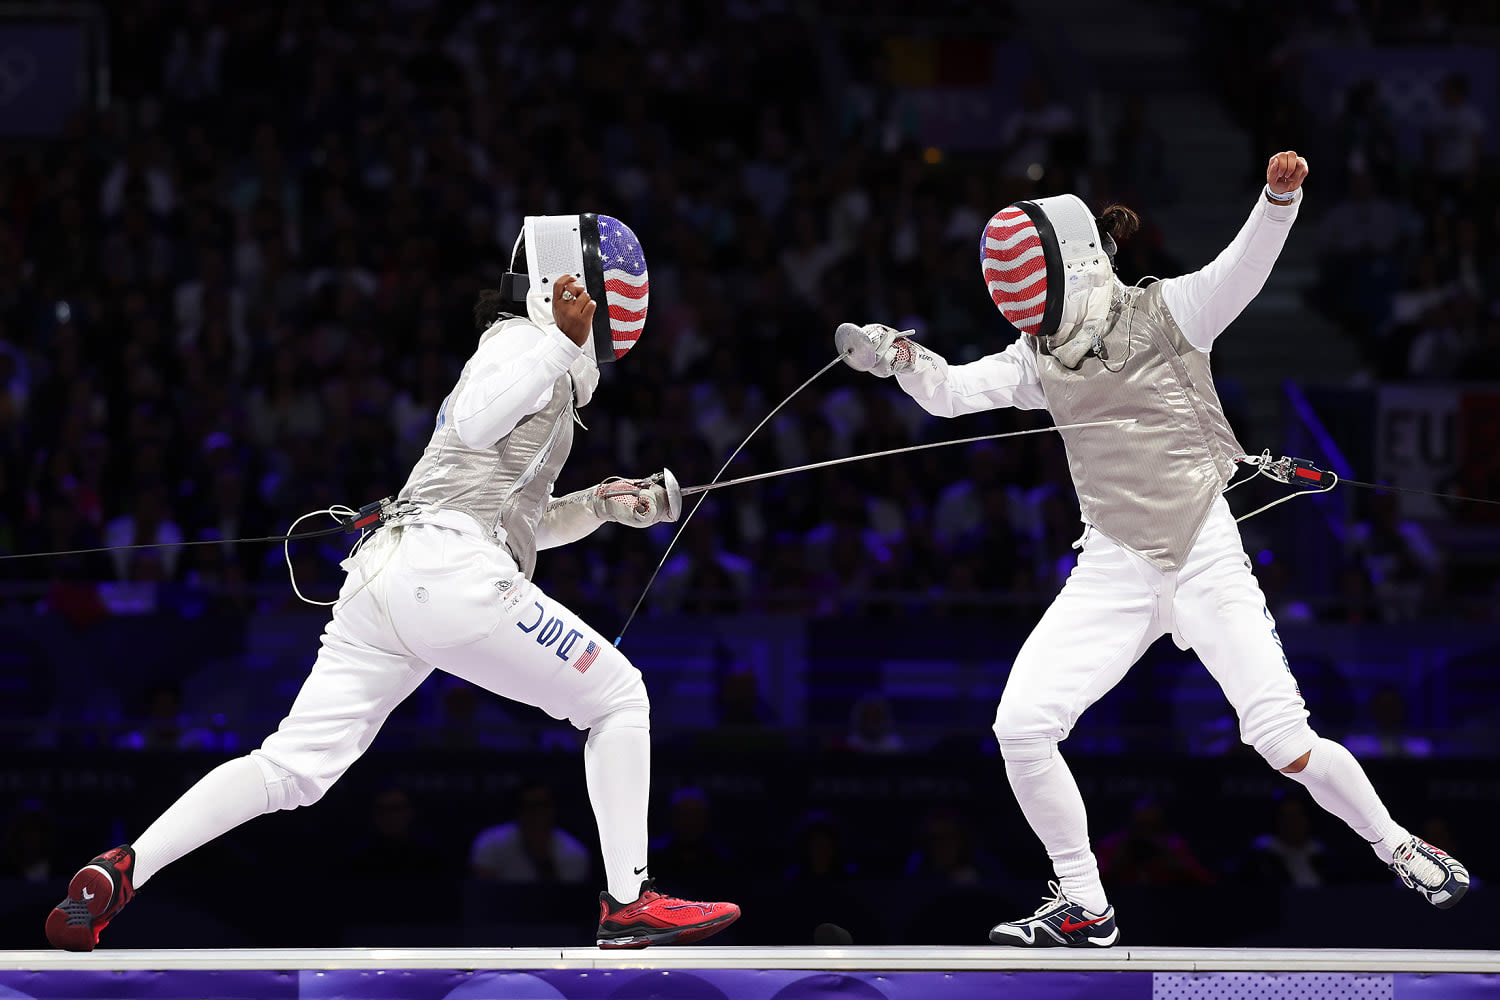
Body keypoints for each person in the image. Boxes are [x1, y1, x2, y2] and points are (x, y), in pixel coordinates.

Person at [46, 214, 740, 952]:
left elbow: (515, 521)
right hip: (446, 571)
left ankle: (127, 868)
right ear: (568, 288)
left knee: (293, 768)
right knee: (618, 696)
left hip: (396, 576)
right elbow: (475, 425)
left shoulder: (542, 368)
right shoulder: (525, 345)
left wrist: (601, 507)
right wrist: (558, 345)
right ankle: (629, 901)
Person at [835, 152, 1468, 948]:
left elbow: (1243, 269)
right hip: (1114, 565)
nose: (1029, 316)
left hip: (1205, 551)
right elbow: (956, 394)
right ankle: (1085, 903)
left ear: (1075, 265)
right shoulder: (1039, 358)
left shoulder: (1170, 314)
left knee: (1282, 741)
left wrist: (1279, 199)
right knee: (1022, 726)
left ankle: (1398, 844)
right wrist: (903, 360)